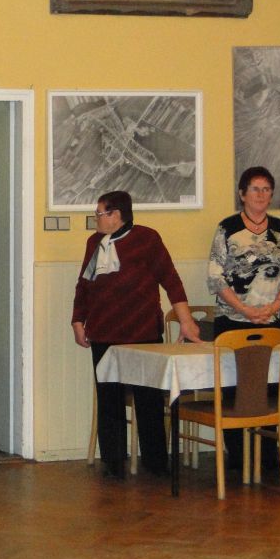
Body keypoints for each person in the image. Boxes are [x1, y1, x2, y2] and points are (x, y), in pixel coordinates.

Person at [72, 191, 200, 479]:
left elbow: (171, 279)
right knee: (109, 400)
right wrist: (78, 320)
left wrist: (186, 320)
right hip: (104, 332)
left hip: (142, 332)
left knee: (149, 400)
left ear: (116, 215)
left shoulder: (147, 239)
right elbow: (84, 285)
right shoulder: (94, 243)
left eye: (99, 213)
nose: (96, 218)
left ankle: (156, 462)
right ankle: (113, 462)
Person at [207, 166, 280, 469]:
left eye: (266, 189)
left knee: (270, 386)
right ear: (242, 194)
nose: (261, 194)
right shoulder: (227, 227)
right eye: (255, 189)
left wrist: (272, 308)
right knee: (234, 388)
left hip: (274, 321)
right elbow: (216, 278)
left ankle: (268, 456)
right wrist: (246, 310)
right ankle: (237, 455)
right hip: (233, 321)